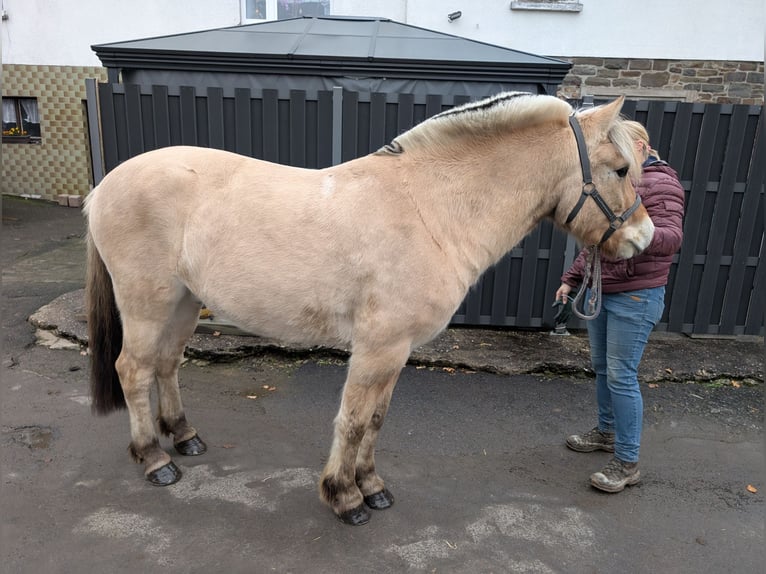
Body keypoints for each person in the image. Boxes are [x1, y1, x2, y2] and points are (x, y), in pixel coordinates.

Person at [555, 120, 684, 493]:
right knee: (603, 369)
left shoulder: (661, 183)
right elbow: (596, 238)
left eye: (625, 150)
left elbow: (672, 237)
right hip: (606, 288)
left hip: (637, 295)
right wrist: (572, 278)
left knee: (621, 375)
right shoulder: (620, 179)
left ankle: (627, 462)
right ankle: (607, 433)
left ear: (642, 147)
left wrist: (636, 233)